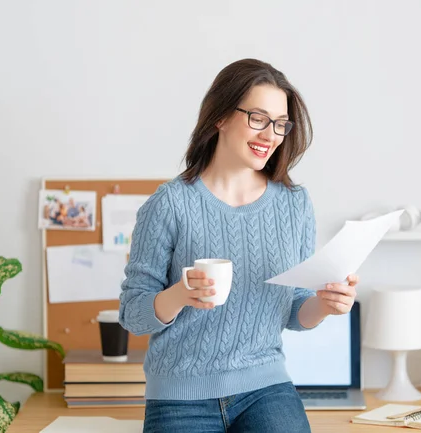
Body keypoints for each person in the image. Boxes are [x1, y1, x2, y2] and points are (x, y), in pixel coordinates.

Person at [119, 58, 359, 433]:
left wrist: (324, 305)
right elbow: (133, 314)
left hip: (265, 387)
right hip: (180, 395)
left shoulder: (294, 203)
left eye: (280, 124)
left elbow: (293, 310)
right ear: (220, 116)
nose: (271, 135)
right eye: (258, 118)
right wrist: (181, 294)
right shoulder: (169, 204)